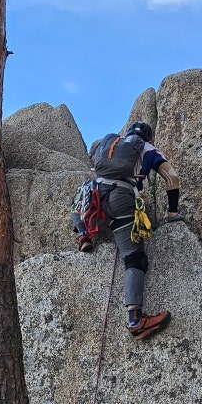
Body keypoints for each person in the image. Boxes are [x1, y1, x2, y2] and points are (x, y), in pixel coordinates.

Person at [71, 120, 183, 340]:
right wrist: (172, 212)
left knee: (77, 197)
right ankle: (136, 320)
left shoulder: (111, 145)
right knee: (135, 259)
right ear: (148, 138)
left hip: (95, 195)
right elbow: (172, 178)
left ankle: (83, 233)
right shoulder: (147, 148)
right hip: (121, 199)